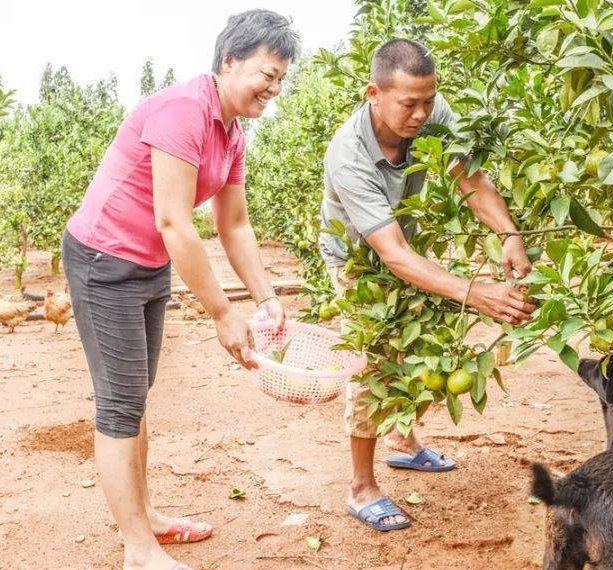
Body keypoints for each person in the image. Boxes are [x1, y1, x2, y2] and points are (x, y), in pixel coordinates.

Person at [62, 10, 297, 570]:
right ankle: (139, 550)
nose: (274, 88)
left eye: (282, 79)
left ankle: (145, 518)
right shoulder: (183, 111)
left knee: (135, 396)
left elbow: (234, 224)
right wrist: (222, 312)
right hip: (104, 259)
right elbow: (173, 221)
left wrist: (265, 296)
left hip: (148, 264)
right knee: (120, 405)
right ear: (229, 61)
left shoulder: (232, 132)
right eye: (267, 74)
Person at [320, 38, 535, 532]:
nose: (421, 114)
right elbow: (391, 254)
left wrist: (510, 235)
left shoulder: (433, 112)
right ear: (374, 93)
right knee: (374, 362)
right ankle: (361, 487)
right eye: (408, 104)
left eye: (428, 100)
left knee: (418, 346)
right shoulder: (348, 154)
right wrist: (476, 294)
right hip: (358, 259)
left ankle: (403, 440)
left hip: (405, 245)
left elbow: (470, 180)